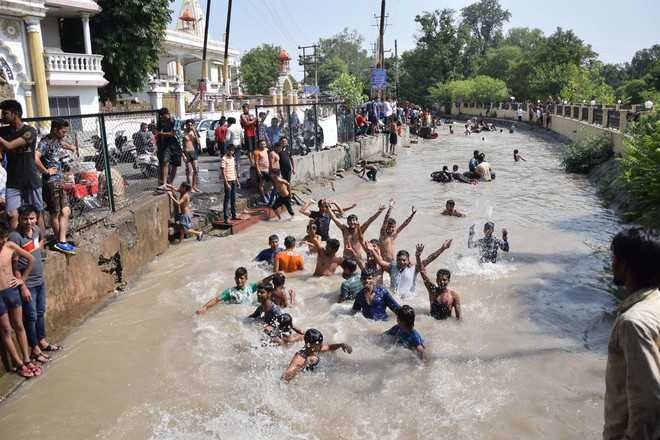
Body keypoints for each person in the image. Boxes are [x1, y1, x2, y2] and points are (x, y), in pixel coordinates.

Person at [603, 228, 660, 439]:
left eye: (614, 257)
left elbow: (648, 401)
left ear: (625, 265)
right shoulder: (656, 303)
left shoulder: (633, 323)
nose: (612, 263)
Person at [10, 205, 61, 365]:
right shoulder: (15, 237)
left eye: (31, 218)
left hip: (40, 280)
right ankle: (35, 349)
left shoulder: (37, 231)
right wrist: (22, 286)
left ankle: (42, 341)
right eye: (25, 218)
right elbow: (14, 265)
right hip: (28, 284)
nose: (28, 222)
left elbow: (38, 247)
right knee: (30, 317)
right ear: (19, 219)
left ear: (36, 218)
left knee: (40, 312)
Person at [0, 220, 41, 378]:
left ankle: (26, 359)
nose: (3, 241)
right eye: (1, 239)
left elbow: (31, 259)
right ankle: (18, 363)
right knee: (6, 330)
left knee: (19, 326)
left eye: (4, 238)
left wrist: (22, 279)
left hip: (12, 291)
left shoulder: (9, 246)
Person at [0, 100, 45, 238]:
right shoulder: (4, 131)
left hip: (30, 179)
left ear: (16, 113)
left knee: (36, 214)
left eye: (5, 113)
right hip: (13, 181)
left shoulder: (29, 131)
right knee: (11, 214)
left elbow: (10, 146)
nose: (2, 116)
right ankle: (17, 247)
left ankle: (40, 244)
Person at [34, 118, 78, 254]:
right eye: (63, 131)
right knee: (55, 213)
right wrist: (46, 171)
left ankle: (61, 240)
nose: (64, 134)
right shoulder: (44, 142)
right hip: (50, 182)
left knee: (66, 211)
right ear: (55, 130)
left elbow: (60, 144)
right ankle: (61, 241)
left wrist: (70, 147)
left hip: (59, 180)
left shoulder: (56, 140)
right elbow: (35, 157)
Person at [365, 239, 452, 299]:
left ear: (408, 260)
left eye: (404, 260)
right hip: (395, 298)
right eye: (399, 260)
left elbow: (429, 259)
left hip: (409, 299)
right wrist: (372, 250)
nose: (401, 262)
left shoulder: (414, 269)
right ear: (396, 260)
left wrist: (442, 248)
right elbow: (380, 261)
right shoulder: (392, 268)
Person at [281, 328, 352, 382]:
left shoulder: (314, 348)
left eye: (321, 344)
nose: (321, 346)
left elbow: (329, 347)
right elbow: (284, 378)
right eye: (318, 345)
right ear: (308, 345)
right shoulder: (299, 357)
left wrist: (341, 345)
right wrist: (304, 364)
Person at [416, 245, 461, 320]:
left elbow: (458, 317)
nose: (442, 282)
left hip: (446, 325)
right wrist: (418, 256)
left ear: (448, 281)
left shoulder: (454, 296)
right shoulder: (432, 290)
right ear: (436, 280)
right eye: (439, 280)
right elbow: (422, 272)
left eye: (444, 280)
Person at [156, 107, 180, 189]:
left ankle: (171, 182)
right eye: (160, 116)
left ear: (166, 114)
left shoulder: (174, 120)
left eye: (162, 116)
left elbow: (173, 133)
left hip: (176, 144)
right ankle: (165, 183)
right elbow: (158, 132)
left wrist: (162, 134)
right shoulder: (161, 122)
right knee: (165, 162)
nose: (161, 118)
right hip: (166, 145)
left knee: (175, 164)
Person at [220, 144, 240, 223]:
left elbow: (234, 169)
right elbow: (223, 171)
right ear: (227, 150)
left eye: (232, 150)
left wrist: (237, 181)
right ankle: (225, 217)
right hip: (228, 180)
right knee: (227, 199)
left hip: (234, 179)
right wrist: (226, 183)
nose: (231, 152)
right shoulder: (224, 158)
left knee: (233, 198)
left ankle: (234, 215)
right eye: (230, 150)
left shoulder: (233, 158)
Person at [182, 119, 200, 193]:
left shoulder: (193, 132)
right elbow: (181, 145)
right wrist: (183, 155)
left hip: (193, 152)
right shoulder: (183, 133)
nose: (190, 126)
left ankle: (194, 186)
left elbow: (198, 142)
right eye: (188, 125)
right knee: (189, 171)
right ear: (186, 125)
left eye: (191, 125)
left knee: (195, 170)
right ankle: (189, 188)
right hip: (186, 152)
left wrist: (195, 132)